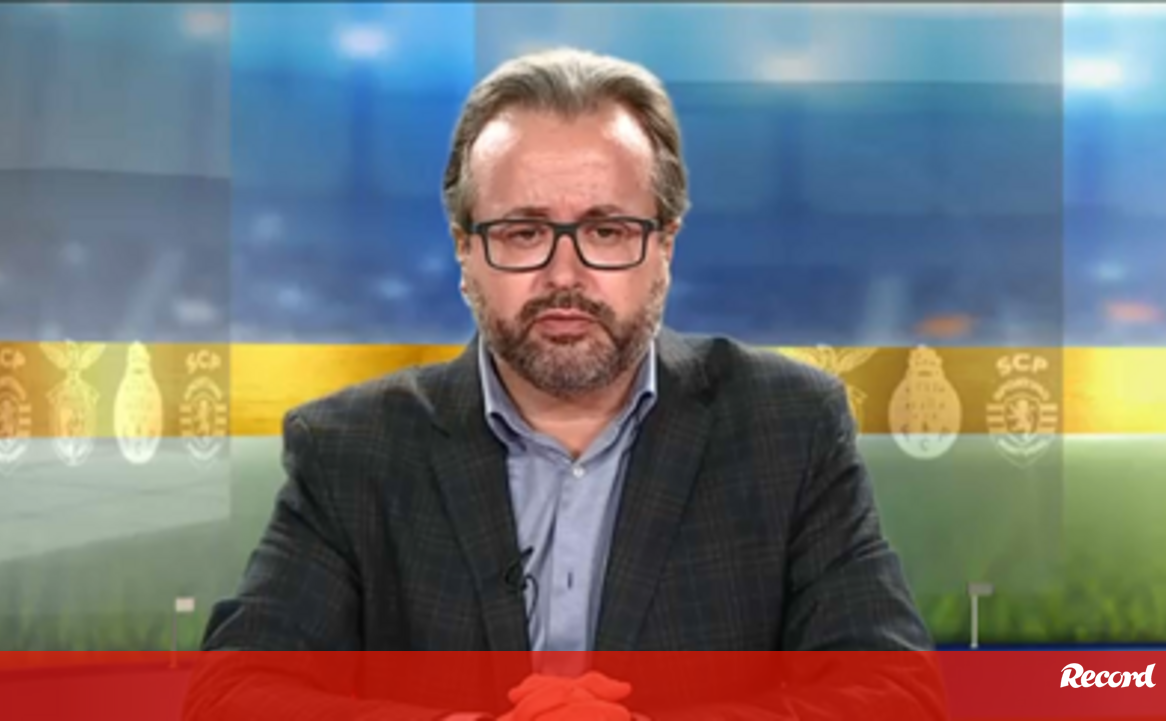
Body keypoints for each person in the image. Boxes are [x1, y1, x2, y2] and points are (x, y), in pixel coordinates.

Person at [186, 47, 938, 721]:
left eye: (607, 230)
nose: (565, 274)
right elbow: (232, 697)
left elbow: (896, 696)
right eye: (523, 232)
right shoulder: (351, 449)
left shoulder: (788, 426)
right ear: (465, 251)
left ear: (665, 246)